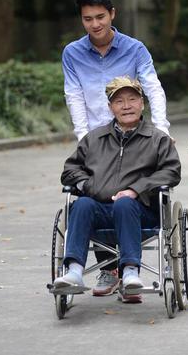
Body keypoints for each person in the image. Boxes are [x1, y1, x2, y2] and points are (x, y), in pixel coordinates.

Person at [61, 0, 171, 300]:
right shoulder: (72, 53)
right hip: (97, 139)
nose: (95, 25)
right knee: (91, 199)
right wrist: (84, 139)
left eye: (100, 17)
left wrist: (160, 130)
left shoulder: (135, 49)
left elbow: (152, 88)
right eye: (87, 19)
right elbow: (74, 95)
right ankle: (107, 269)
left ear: (112, 14)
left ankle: (129, 270)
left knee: (127, 200)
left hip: (135, 136)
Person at [53, 76, 181, 297]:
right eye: (119, 101)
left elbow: (171, 171)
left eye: (132, 99)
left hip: (141, 211)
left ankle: (130, 272)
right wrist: (89, 186)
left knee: (124, 203)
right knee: (82, 204)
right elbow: (70, 170)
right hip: (100, 210)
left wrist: (136, 189)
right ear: (110, 107)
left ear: (142, 103)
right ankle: (74, 271)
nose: (127, 106)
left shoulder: (157, 139)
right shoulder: (94, 138)